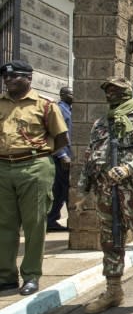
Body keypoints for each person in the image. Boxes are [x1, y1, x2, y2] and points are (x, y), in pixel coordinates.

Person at [75, 76, 133, 314]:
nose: (111, 95)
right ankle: (113, 290)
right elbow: (90, 157)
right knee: (111, 241)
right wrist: (83, 191)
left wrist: (129, 168)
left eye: (116, 91)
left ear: (127, 92)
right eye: (108, 91)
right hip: (106, 192)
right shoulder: (101, 124)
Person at [0, 60, 68, 296]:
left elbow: (61, 139)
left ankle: (31, 275)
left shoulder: (45, 106)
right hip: (3, 168)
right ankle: (6, 277)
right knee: (4, 225)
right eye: (5, 77)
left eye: (14, 76)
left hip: (34, 166)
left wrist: (39, 154)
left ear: (28, 78)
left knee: (34, 223)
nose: (8, 80)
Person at [47, 86, 74, 231]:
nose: (74, 96)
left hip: (69, 155)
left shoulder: (70, 109)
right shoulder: (59, 110)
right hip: (61, 157)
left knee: (65, 190)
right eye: (71, 93)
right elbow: (57, 134)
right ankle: (51, 220)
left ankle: (62, 220)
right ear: (63, 95)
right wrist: (62, 155)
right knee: (60, 190)